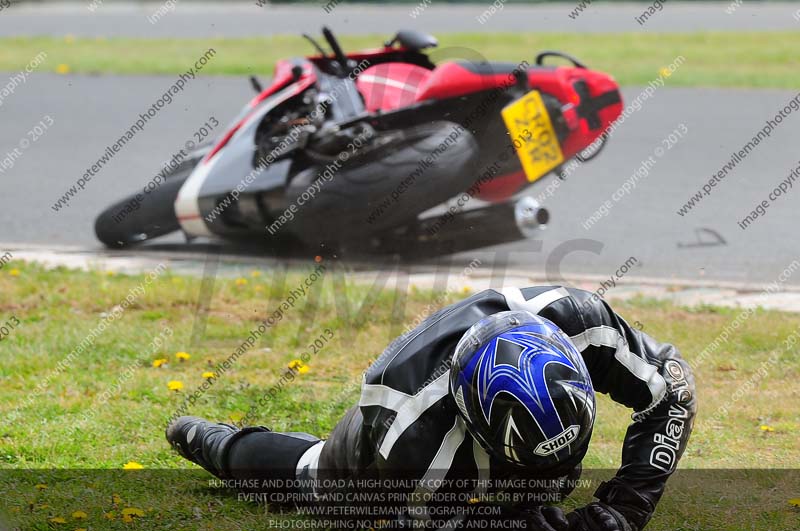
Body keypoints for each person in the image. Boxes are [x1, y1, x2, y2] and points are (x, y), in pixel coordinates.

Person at [167, 285, 696, 530]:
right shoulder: (414, 445)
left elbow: (673, 391)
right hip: (381, 433)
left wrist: (628, 506)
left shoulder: (579, 321)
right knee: (320, 483)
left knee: (545, 487)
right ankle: (211, 441)